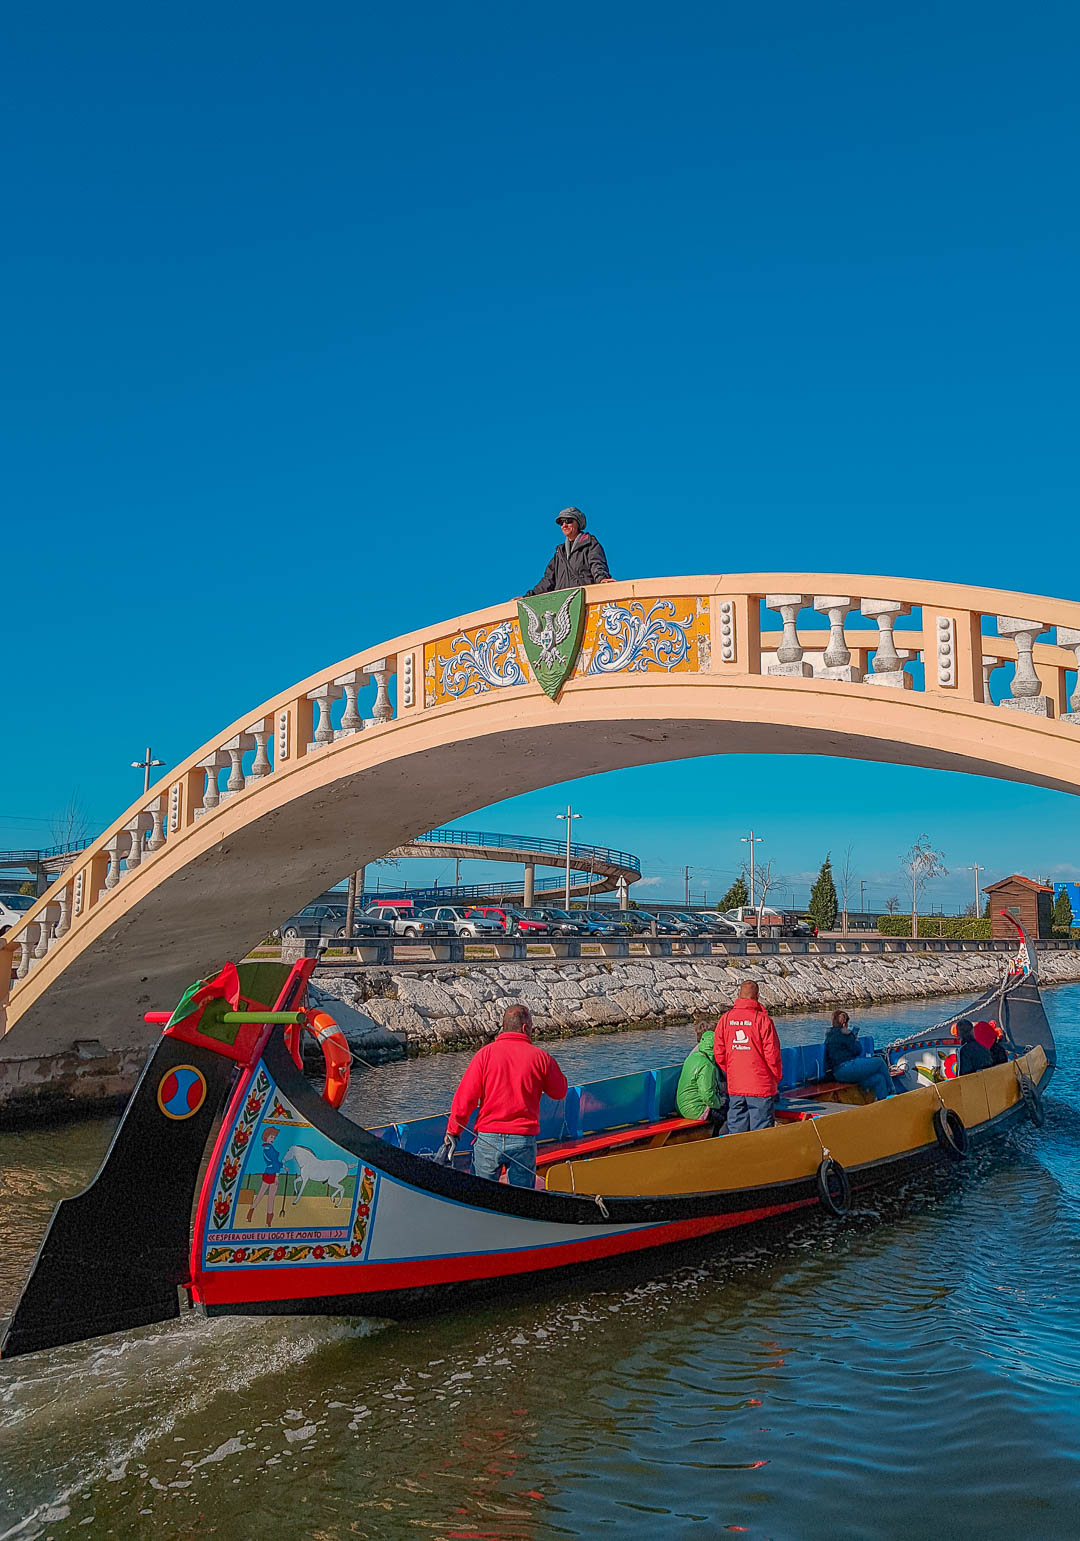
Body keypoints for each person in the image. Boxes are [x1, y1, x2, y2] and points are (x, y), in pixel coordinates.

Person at [443, 1004, 568, 1187]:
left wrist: (453, 1131)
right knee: (521, 1199)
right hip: (522, 1139)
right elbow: (559, 1092)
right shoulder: (540, 1057)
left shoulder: (484, 1055)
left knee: (481, 1196)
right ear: (525, 1028)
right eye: (532, 1027)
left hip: (488, 1138)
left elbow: (465, 1098)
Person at [714, 981, 783, 1132]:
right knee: (762, 1132)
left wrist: (731, 1071)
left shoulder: (726, 1019)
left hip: (736, 1085)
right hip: (760, 1085)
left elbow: (719, 1053)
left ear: (739, 995)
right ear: (757, 996)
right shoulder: (763, 1020)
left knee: (737, 1129)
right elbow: (772, 1055)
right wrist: (775, 1077)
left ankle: (737, 1154)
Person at [524, 508, 614, 595]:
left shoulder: (590, 544)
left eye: (568, 521)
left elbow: (597, 564)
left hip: (584, 598)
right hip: (563, 602)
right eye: (561, 522)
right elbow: (547, 580)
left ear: (578, 523)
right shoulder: (559, 553)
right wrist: (529, 596)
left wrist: (602, 579)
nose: (564, 525)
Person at [824, 1011, 899, 1101]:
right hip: (846, 1069)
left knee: (879, 1079)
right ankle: (892, 1092)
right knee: (879, 1062)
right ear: (844, 1023)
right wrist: (854, 1038)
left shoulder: (830, 1034)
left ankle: (882, 1102)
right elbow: (857, 1050)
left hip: (838, 1074)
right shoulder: (844, 1033)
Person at [676, 1022, 728, 1131]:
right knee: (730, 1114)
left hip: (682, 1106)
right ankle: (721, 1140)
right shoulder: (707, 1065)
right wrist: (719, 1103)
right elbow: (707, 1094)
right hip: (696, 1109)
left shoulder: (694, 1056)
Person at [245, 1127, 283, 1226]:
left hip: (268, 1172)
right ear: (266, 1137)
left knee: (261, 1194)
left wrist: (283, 1166)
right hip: (273, 1173)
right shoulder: (269, 1149)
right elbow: (274, 1162)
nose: (272, 1139)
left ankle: (251, 1212)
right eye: (271, 1137)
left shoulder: (267, 1148)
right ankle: (268, 1220)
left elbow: (275, 1162)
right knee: (270, 1197)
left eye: (274, 1137)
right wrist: (277, 1175)